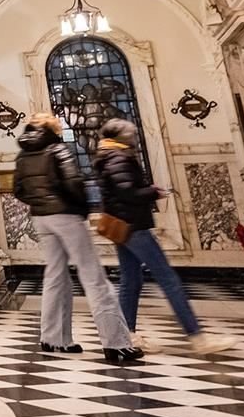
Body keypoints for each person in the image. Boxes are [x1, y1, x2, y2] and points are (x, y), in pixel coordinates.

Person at [95, 119, 233, 355]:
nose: (134, 137)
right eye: (131, 134)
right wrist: (152, 192)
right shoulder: (118, 158)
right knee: (168, 279)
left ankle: (126, 334)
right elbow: (127, 191)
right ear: (121, 137)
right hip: (133, 226)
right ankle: (197, 337)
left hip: (123, 226)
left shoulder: (108, 156)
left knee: (131, 281)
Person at [13, 115, 138, 364]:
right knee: (94, 277)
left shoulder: (23, 155)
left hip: (41, 218)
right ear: (53, 129)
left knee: (55, 276)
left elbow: (18, 190)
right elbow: (73, 181)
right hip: (66, 216)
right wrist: (82, 208)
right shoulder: (57, 149)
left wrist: (40, 204)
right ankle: (117, 344)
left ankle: (53, 338)